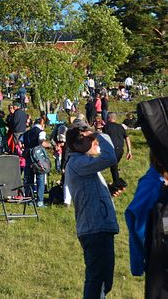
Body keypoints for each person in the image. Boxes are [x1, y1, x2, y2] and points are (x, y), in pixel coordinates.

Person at [65, 124, 118, 299]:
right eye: (90, 140)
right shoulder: (78, 162)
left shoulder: (84, 164)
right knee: (97, 279)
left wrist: (107, 192)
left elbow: (90, 190)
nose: (95, 143)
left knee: (103, 280)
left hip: (98, 226)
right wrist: (98, 133)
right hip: (95, 228)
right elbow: (111, 156)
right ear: (75, 146)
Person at [22, 117, 51, 207]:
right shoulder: (41, 132)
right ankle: (40, 201)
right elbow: (41, 142)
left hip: (27, 157)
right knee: (40, 179)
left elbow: (20, 142)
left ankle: (29, 199)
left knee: (29, 180)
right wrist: (50, 145)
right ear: (42, 123)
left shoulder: (26, 133)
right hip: (37, 158)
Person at [102, 112, 132, 196]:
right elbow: (127, 138)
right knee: (114, 167)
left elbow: (105, 139)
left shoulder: (106, 127)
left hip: (112, 149)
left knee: (113, 167)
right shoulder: (120, 127)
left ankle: (119, 184)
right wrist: (129, 150)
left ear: (108, 118)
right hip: (120, 151)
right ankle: (117, 183)